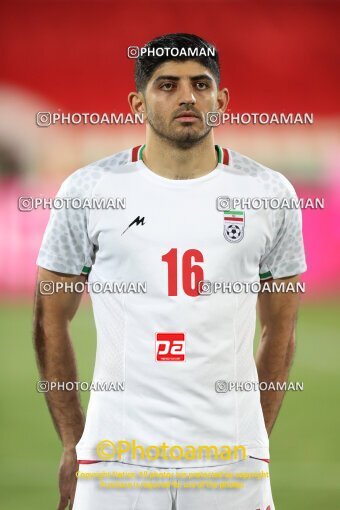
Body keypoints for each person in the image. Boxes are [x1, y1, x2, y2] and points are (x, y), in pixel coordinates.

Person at [34, 33, 306, 510]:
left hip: (232, 462)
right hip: (117, 460)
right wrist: (74, 442)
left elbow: (281, 327)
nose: (187, 97)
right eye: (167, 86)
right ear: (137, 103)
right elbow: (49, 318)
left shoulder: (270, 193)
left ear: (222, 100)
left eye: (201, 84)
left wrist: (251, 442)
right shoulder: (89, 190)